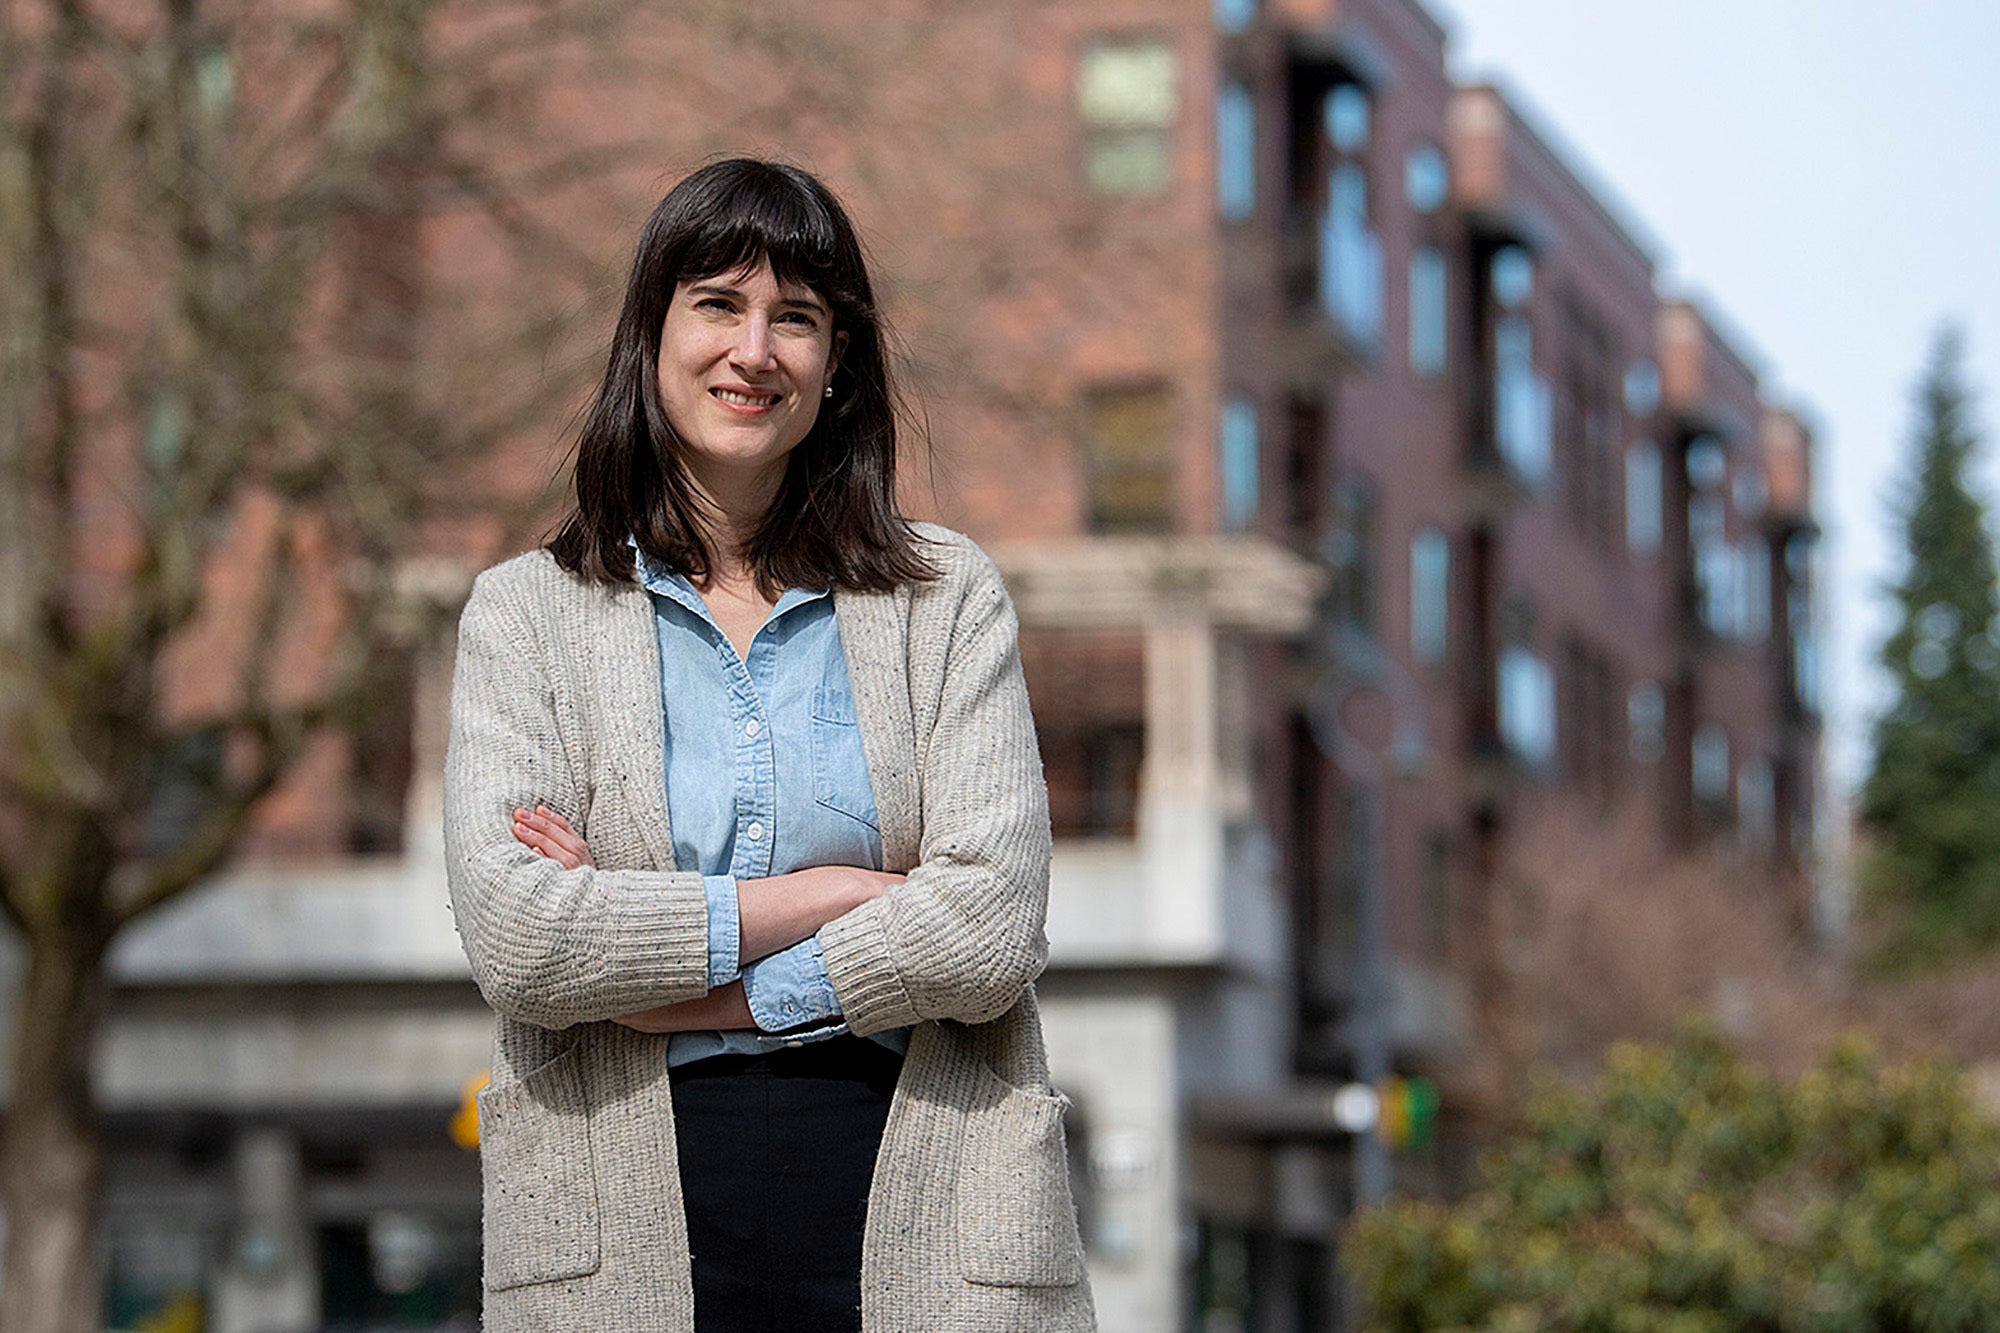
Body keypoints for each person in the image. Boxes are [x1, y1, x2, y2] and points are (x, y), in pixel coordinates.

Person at [442, 158, 1096, 1332]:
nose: (755, 350)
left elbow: (991, 925)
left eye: (795, 317)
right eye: (717, 305)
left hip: (923, 1205)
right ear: (649, 333)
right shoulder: (525, 614)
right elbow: (522, 937)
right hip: (618, 1224)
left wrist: (697, 996)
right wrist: (832, 895)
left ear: (836, 362)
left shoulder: (943, 598)